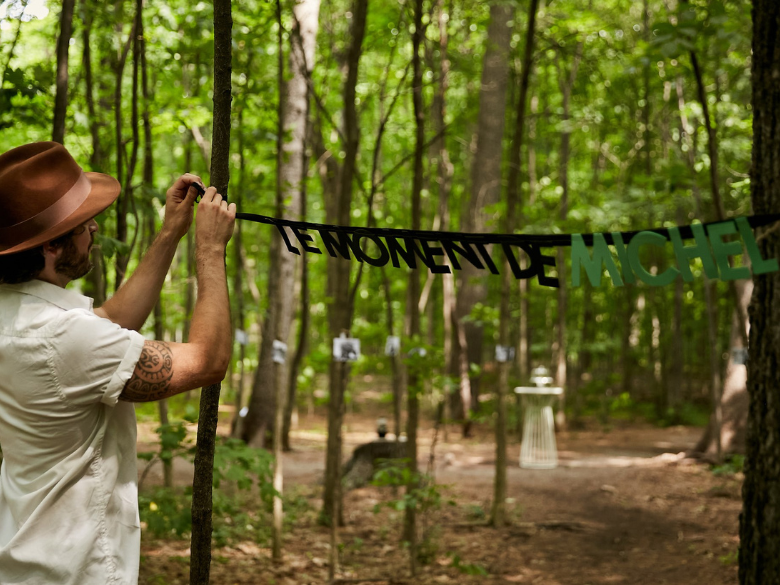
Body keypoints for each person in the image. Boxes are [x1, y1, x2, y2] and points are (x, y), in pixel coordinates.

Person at [0, 141, 236, 584]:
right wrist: (210, 250)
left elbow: (109, 321)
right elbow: (208, 361)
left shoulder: (19, 314)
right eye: (80, 223)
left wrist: (171, 233)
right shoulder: (63, 337)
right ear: (51, 246)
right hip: (76, 570)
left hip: (24, 560)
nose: (93, 227)